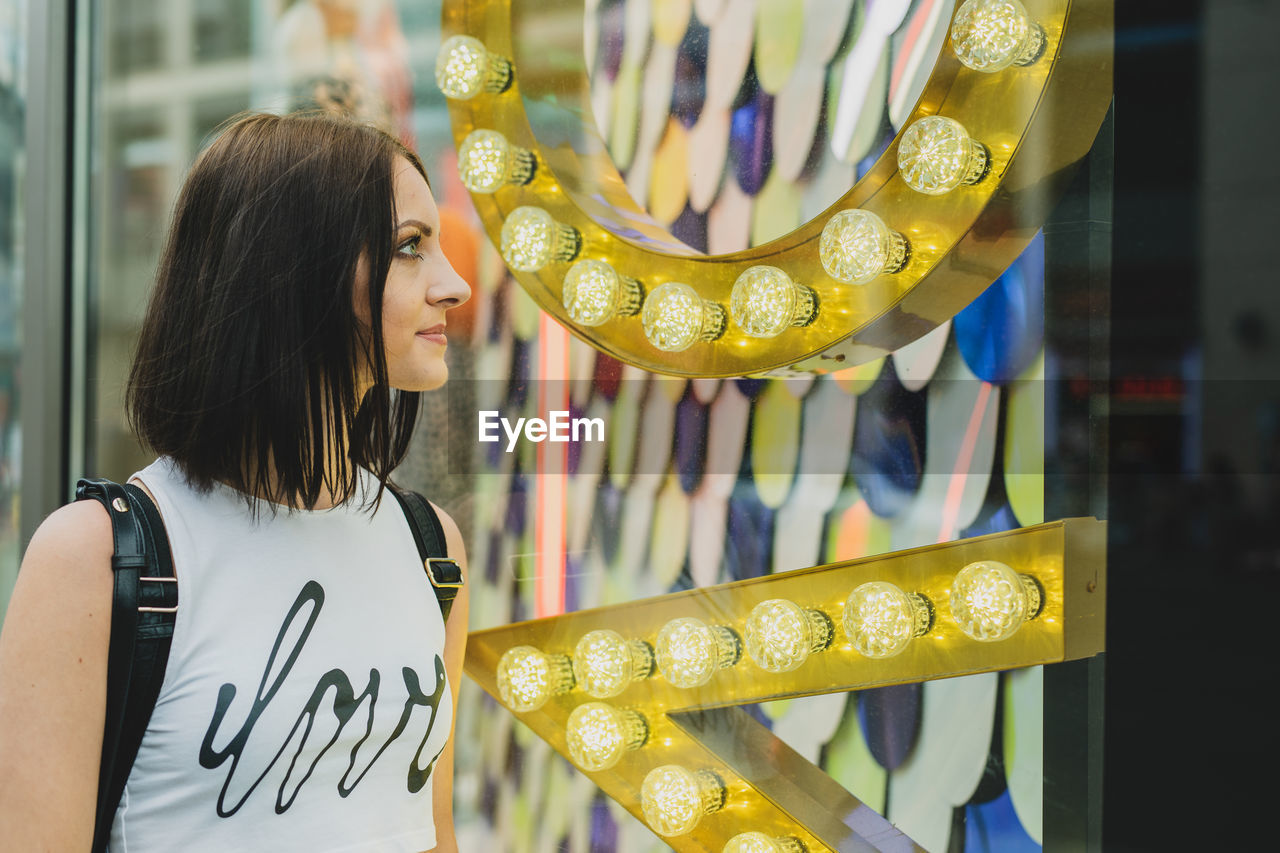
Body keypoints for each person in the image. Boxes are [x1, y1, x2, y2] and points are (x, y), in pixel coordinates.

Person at [0, 111, 472, 852]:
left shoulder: (430, 547)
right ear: (296, 270)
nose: (456, 285)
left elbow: (427, 828)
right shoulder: (100, 558)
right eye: (410, 247)